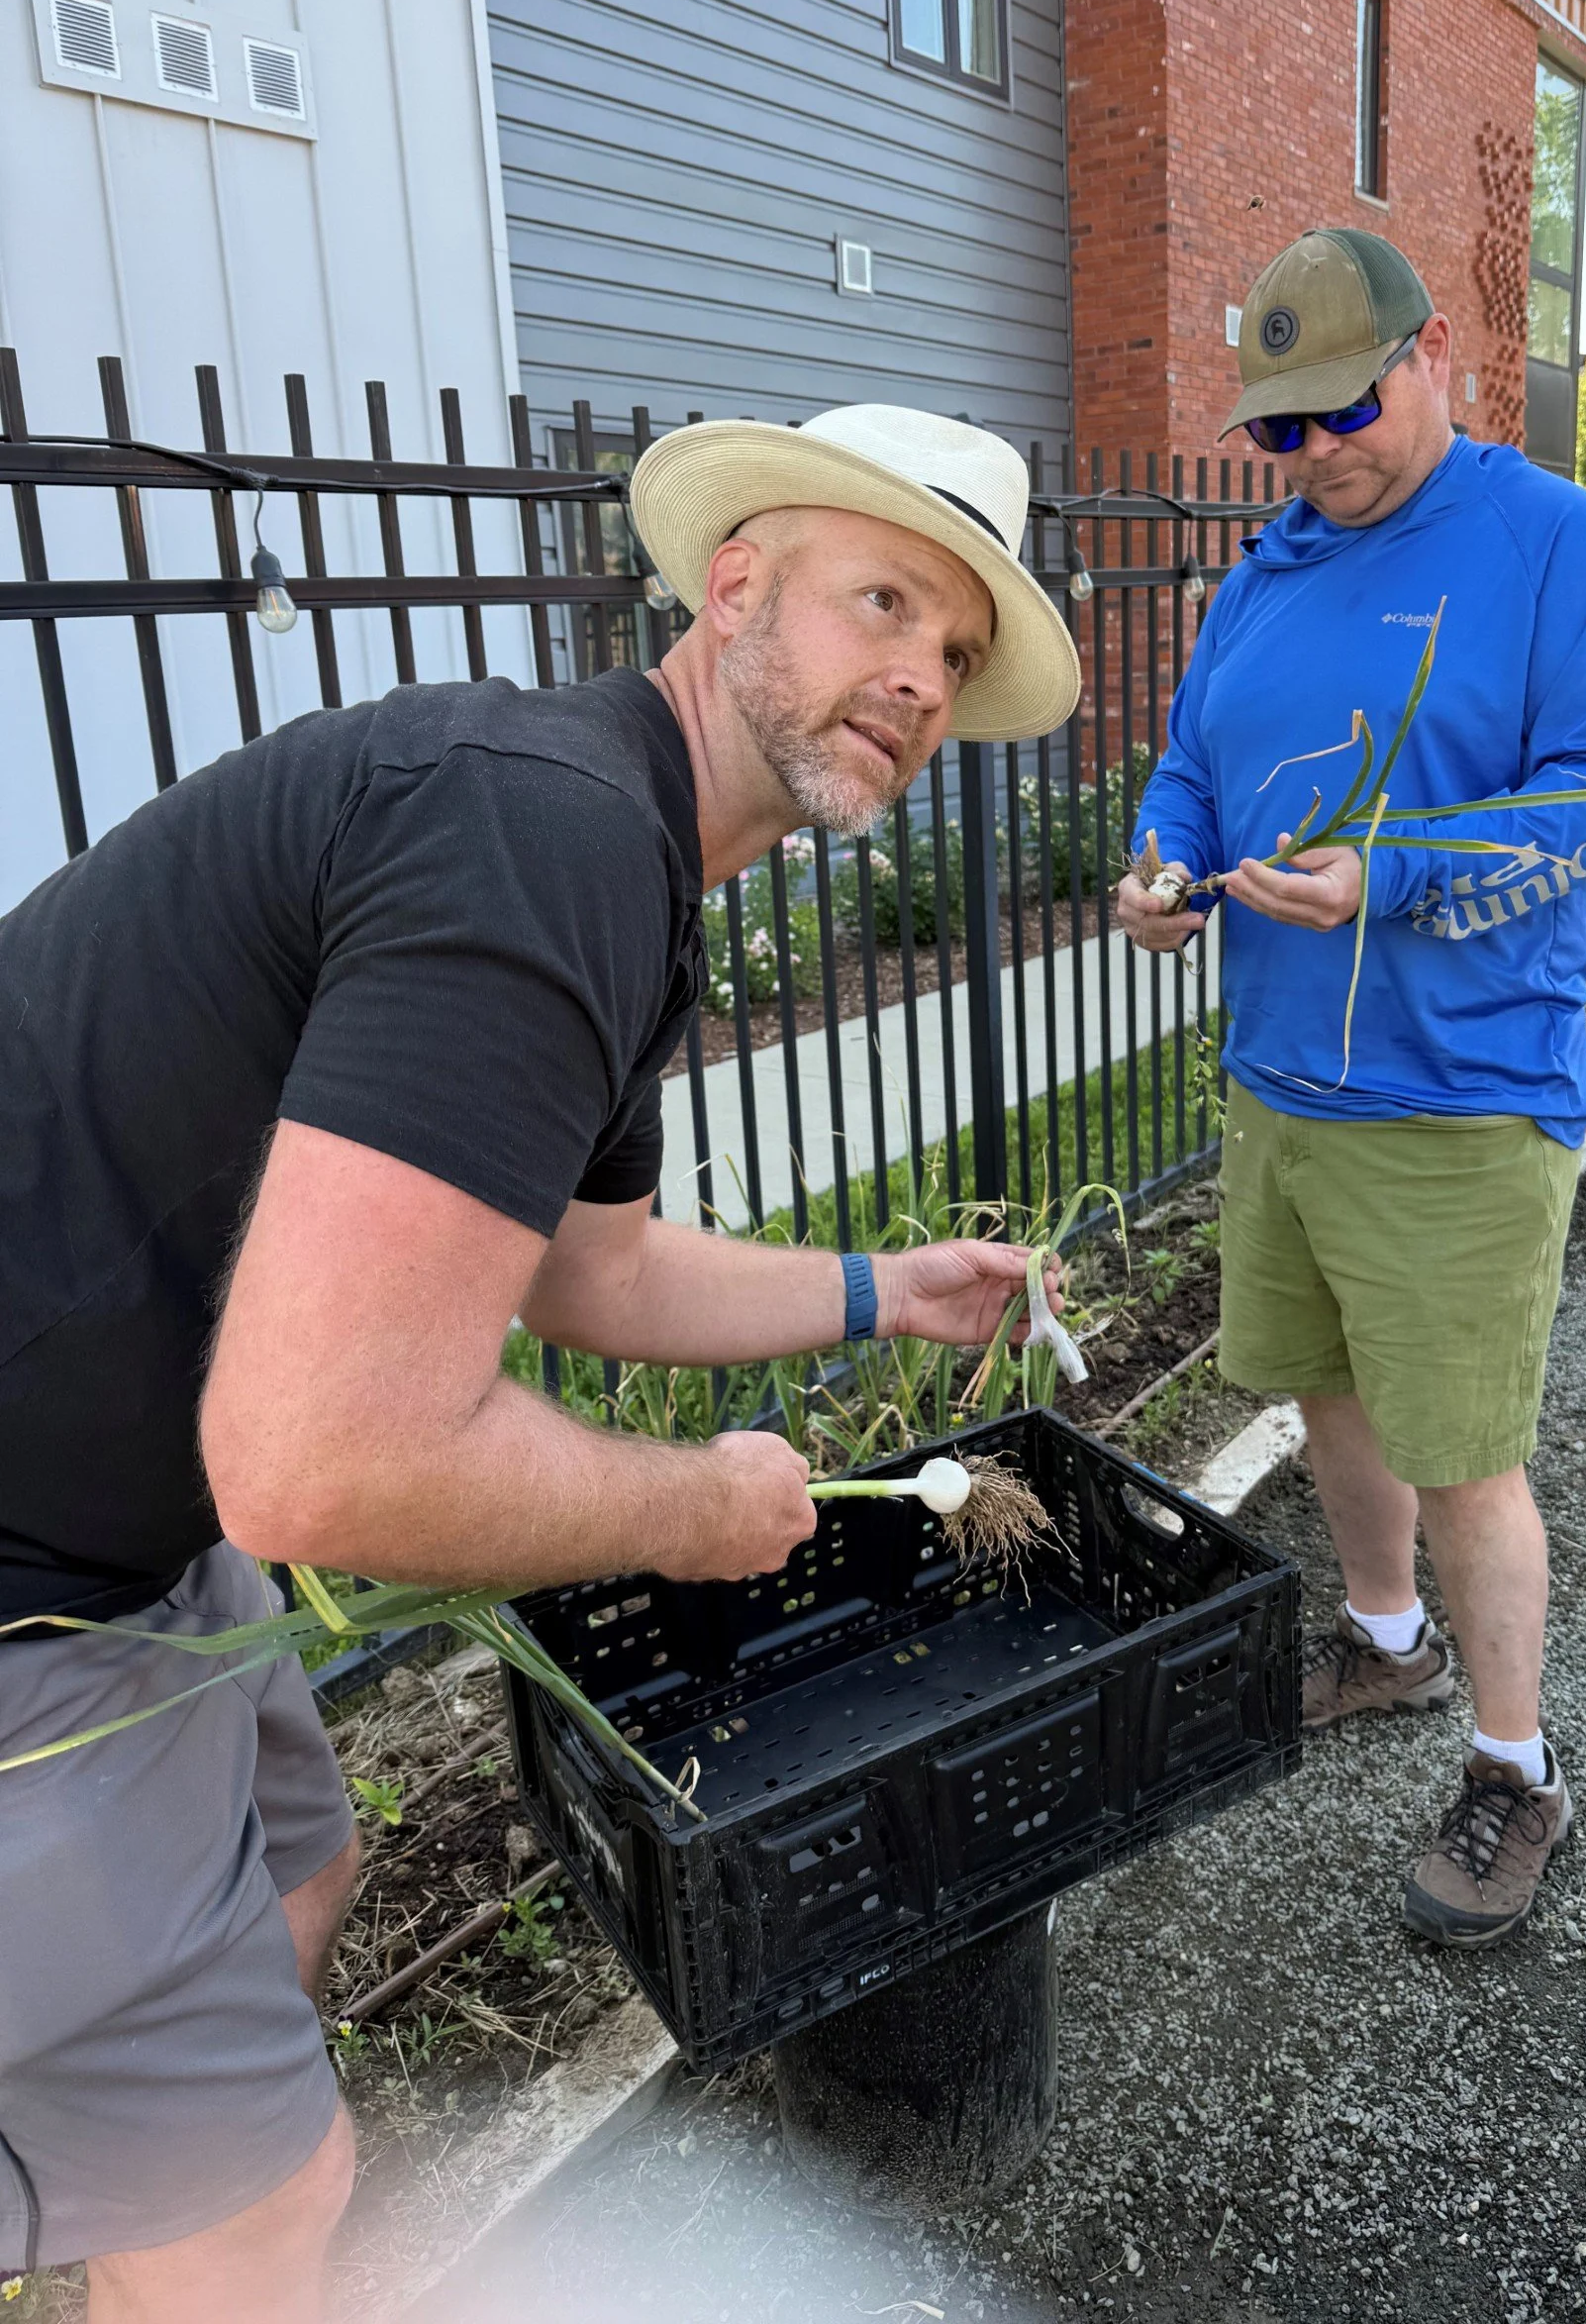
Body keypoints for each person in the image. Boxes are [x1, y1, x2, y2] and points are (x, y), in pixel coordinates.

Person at [0, 403, 1079, 2318]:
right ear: (734, 582)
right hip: (27, 1600)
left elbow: (589, 1271)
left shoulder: (613, 851)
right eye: (885, 600)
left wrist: (881, 1292)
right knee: (264, 2211)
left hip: (129, 1544)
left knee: (300, 1879)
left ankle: (137, 2153)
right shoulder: (551, 834)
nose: (920, 675)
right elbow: (324, 1459)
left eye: (959, 653)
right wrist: (689, 1508)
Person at [1118, 229, 1586, 1950]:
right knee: (1323, 1404)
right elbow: (1193, 772)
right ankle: (1387, 1643)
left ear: (1435, 357)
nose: (1315, 456)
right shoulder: (1265, 572)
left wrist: (1397, 875)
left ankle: (1519, 1767)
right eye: (1278, 430)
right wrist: (1157, 865)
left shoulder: (1549, 543)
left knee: (1465, 1457)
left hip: (1458, 1098)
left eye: (1345, 411)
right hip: (1283, 1085)